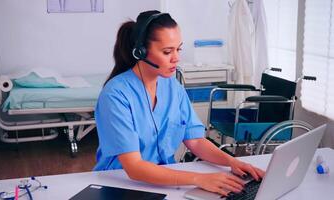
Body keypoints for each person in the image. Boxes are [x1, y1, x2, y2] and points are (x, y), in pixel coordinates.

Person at [94, 10, 265, 196]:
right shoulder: (116, 95)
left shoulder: (173, 87)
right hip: (120, 184)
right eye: (167, 51)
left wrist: (232, 162)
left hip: (165, 181)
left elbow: (196, 141)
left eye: (178, 49)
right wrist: (198, 179)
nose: (176, 58)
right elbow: (134, 167)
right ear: (141, 51)